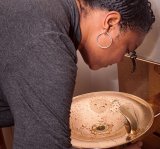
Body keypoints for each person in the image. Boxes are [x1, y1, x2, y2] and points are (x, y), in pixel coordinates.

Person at [0, 0, 155, 149]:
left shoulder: (47, 11)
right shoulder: (49, 48)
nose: (121, 60)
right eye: (127, 49)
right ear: (110, 23)